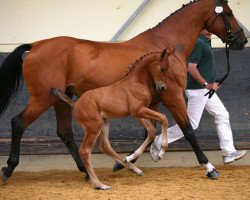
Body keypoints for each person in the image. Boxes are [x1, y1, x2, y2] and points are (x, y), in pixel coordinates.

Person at [150, 29, 247, 164]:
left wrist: (211, 83)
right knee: (192, 124)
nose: (209, 31)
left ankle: (228, 152)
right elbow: (191, 67)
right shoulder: (199, 43)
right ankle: (159, 140)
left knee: (222, 114)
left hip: (205, 90)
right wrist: (207, 84)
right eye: (206, 29)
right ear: (201, 29)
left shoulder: (206, 42)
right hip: (198, 90)